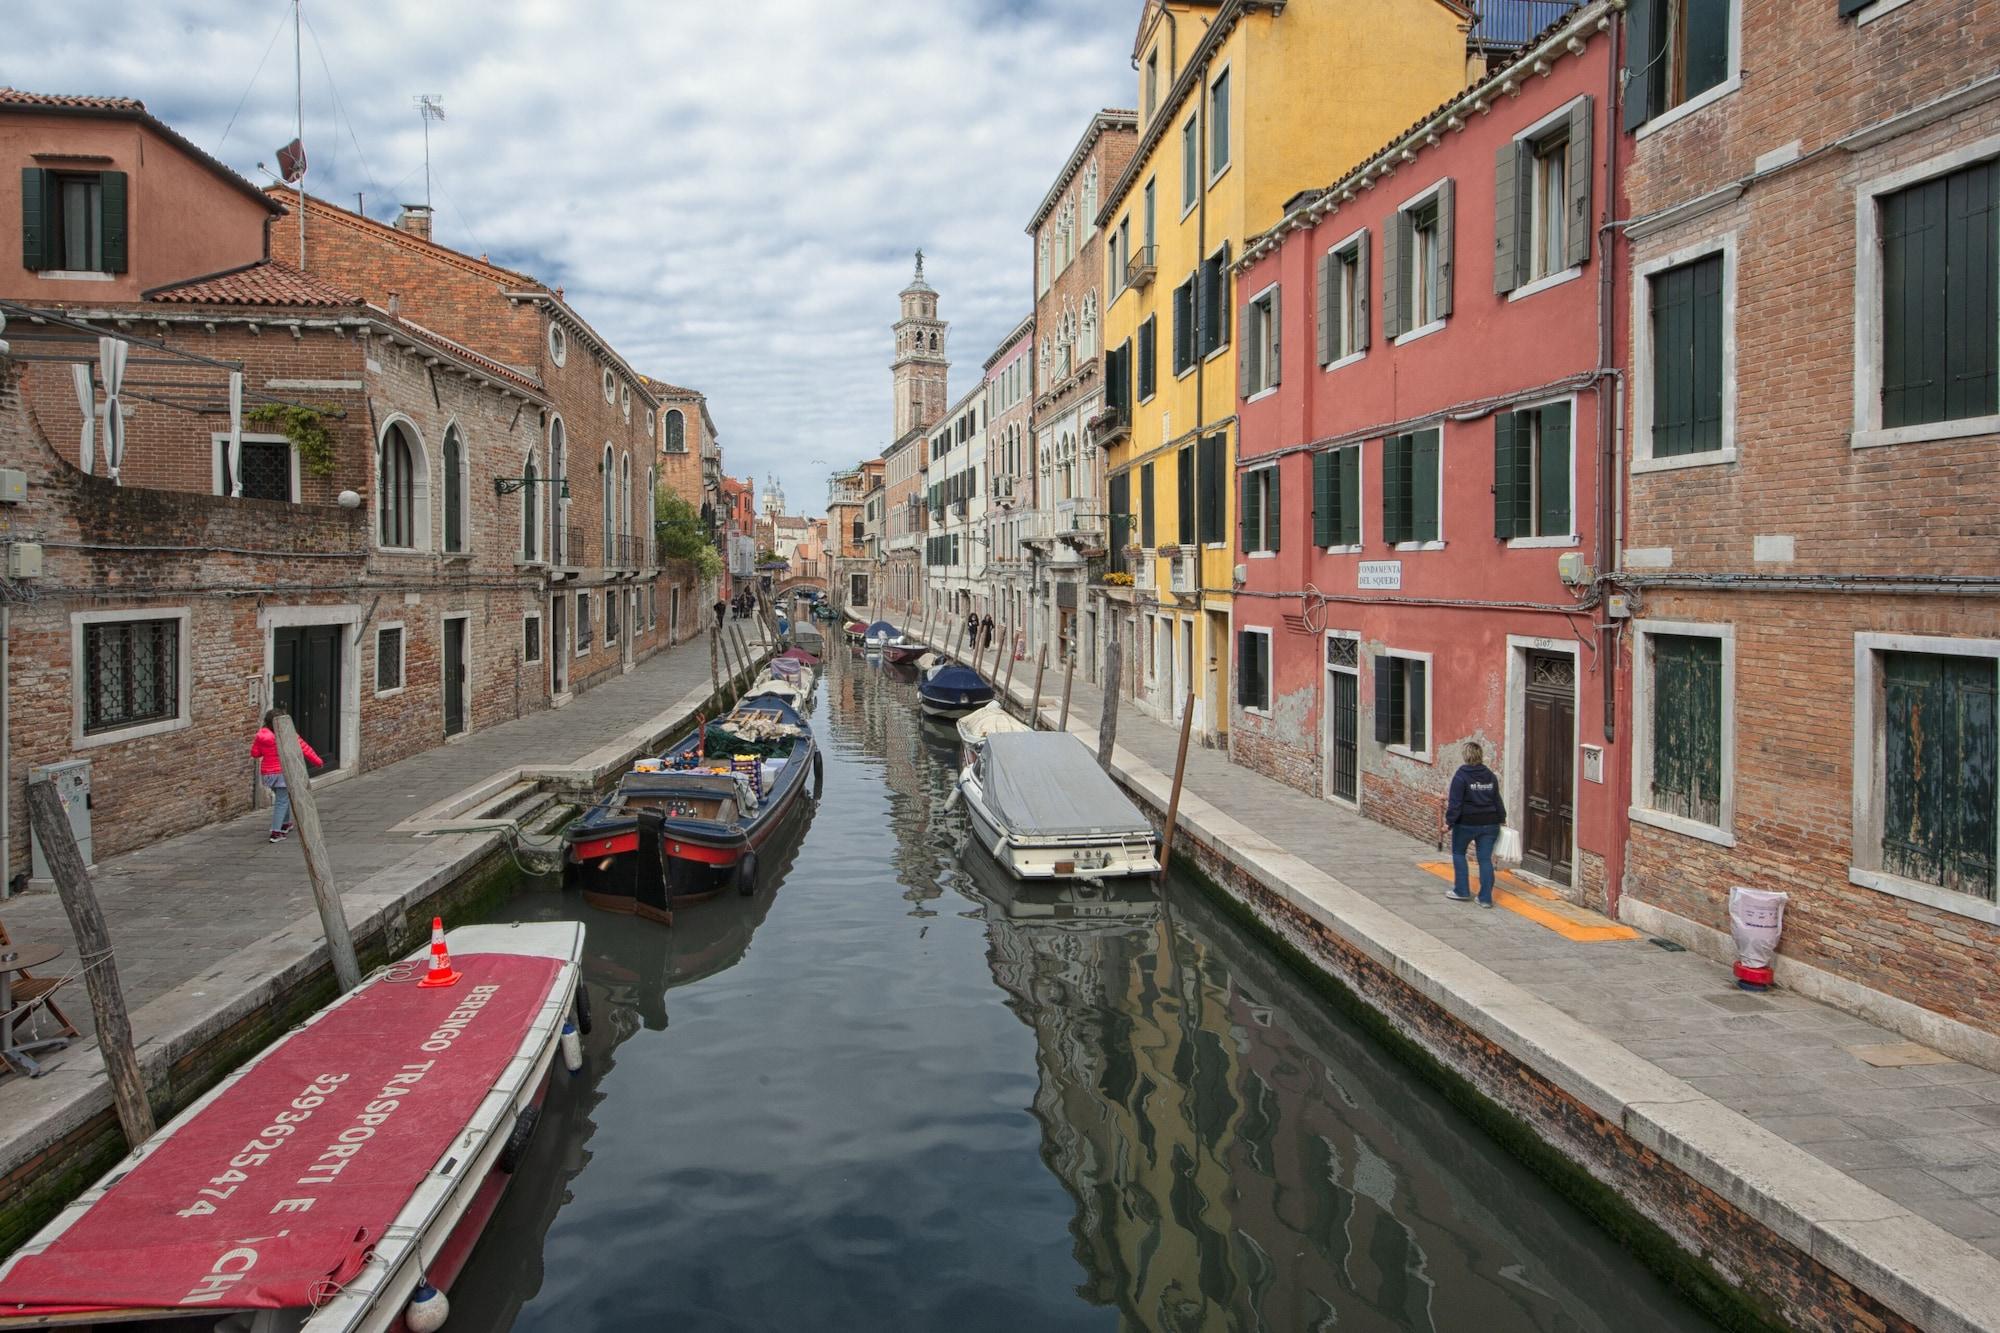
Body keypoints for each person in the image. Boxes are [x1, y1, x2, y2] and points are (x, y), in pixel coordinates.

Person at [1445, 741, 1506, 906]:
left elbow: (1455, 803)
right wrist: (1502, 818)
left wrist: (1449, 822)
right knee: (1485, 859)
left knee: (1459, 853)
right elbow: (1497, 800)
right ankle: (1485, 898)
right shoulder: (1490, 776)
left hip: (1466, 823)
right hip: (1490, 823)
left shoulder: (1461, 776)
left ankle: (1461, 891)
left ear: (1465, 755)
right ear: (1480, 755)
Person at [250, 710, 323, 844]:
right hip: (283, 772)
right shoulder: (287, 734)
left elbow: (255, 753)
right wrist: (318, 761)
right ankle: (276, 832)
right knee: (281, 801)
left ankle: (286, 824)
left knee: (283, 797)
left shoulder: (261, 736)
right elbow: (305, 748)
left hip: (268, 774)